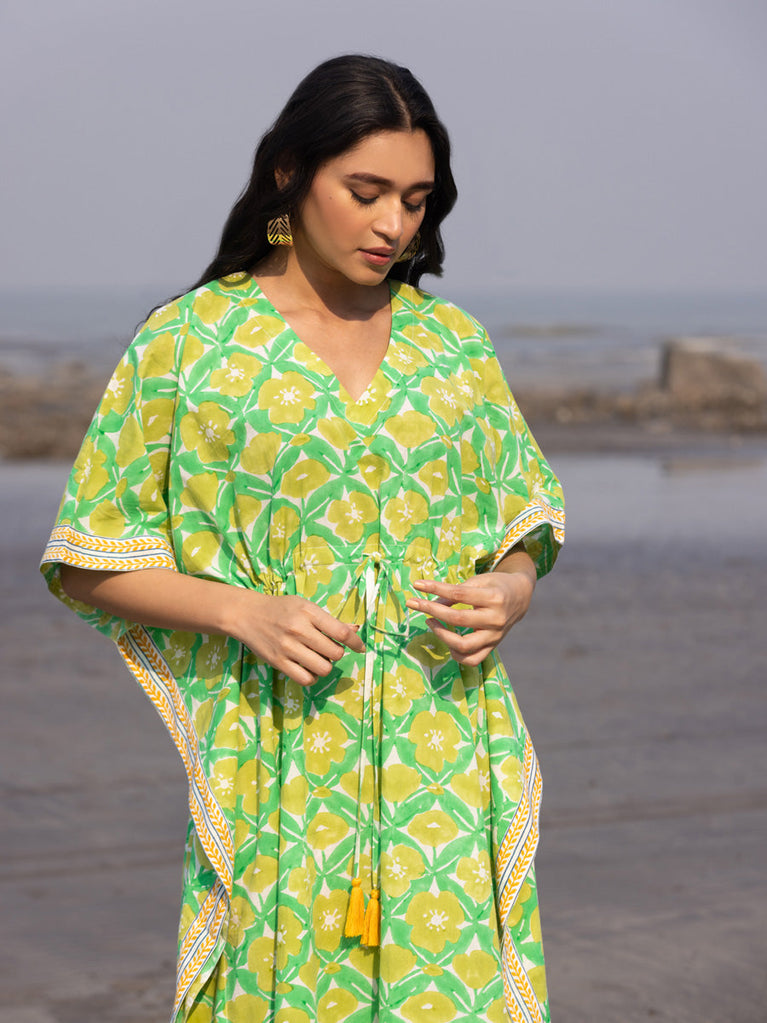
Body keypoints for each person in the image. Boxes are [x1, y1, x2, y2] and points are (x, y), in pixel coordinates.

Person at [41, 54, 564, 1023]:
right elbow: (88, 556)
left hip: (445, 754)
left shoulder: (453, 346)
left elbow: (520, 519)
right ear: (289, 172)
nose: (392, 225)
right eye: (365, 192)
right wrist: (241, 612)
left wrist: (512, 589)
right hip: (275, 760)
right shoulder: (190, 344)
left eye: (414, 200)